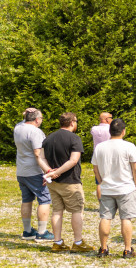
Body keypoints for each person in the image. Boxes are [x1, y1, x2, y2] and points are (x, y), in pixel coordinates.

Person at [42, 112, 93, 253]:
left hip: (53, 183)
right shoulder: (74, 138)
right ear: (72, 122)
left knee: (57, 211)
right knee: (77, 210)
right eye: (76, 121)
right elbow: (73, 160)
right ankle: (78, 242)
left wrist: (49, 172)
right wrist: (56, 172)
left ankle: (57, 242)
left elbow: (40, 157)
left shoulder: (48, 138)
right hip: (70, 181)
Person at [92, 118, 136, 258]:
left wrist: (101, 182)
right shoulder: (129, 146)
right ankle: (127, 249)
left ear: (109, 131)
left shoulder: (100, 147)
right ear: (123, 131)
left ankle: (103, 248)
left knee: (105, 218)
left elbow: (95, 169)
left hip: (107, 188)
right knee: (126, 218)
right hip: (126, 188)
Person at [13, 108, 53, 242]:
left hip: (21, 170)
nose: (41, 120)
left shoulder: (18, 128)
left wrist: (25, 113)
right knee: (45, 199)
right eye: (41, 118)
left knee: (26, 200)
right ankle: (42, 232)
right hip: (34, 171)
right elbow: (38, 154)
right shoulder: (35, 132)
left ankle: (27, 230)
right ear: (37, 120)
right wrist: (46, 172)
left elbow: (22, 120)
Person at [89, 112, 112, 199]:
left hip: (97, 155)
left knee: (99, 182)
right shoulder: (110, 128)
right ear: (107, 119)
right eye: (111, 118)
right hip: (109, 155)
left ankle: (100, 202)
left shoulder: (94, 128)